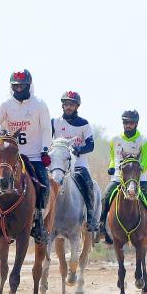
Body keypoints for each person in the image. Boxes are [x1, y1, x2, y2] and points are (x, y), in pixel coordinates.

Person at [0, 69, 52, 243]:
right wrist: (3, 135)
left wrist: (45, 149)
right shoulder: (5, 105)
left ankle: (38, 220)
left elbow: (47, 129)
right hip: (11, 155)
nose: (18, 89)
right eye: (15, 86)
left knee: (44, 184)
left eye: (22, 85)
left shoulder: (39, 104)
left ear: (28, 85)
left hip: (34, 155)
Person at [96, 110, 147, 245]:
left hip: (138, 178)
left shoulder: (144, 141)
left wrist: (140, 169)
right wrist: (111, 166)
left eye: (131, 123)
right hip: (118, 177)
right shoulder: (115, 139)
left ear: (136, 123)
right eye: (125, 122)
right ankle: (101, 227)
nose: (128, 125)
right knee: (106, 196)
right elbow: (113, 157)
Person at [51, 90, 98, 232]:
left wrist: (78, 150)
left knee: (88, 184)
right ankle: (39, 217)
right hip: (57, 164)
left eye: (72, 104)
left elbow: (91, 145)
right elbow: (46, 142)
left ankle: (90, 218)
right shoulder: (55, 122)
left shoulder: (84, 124)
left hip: (78, 164)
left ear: (77, 106)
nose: (68, 107)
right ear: (62, 106)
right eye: (66, 104)